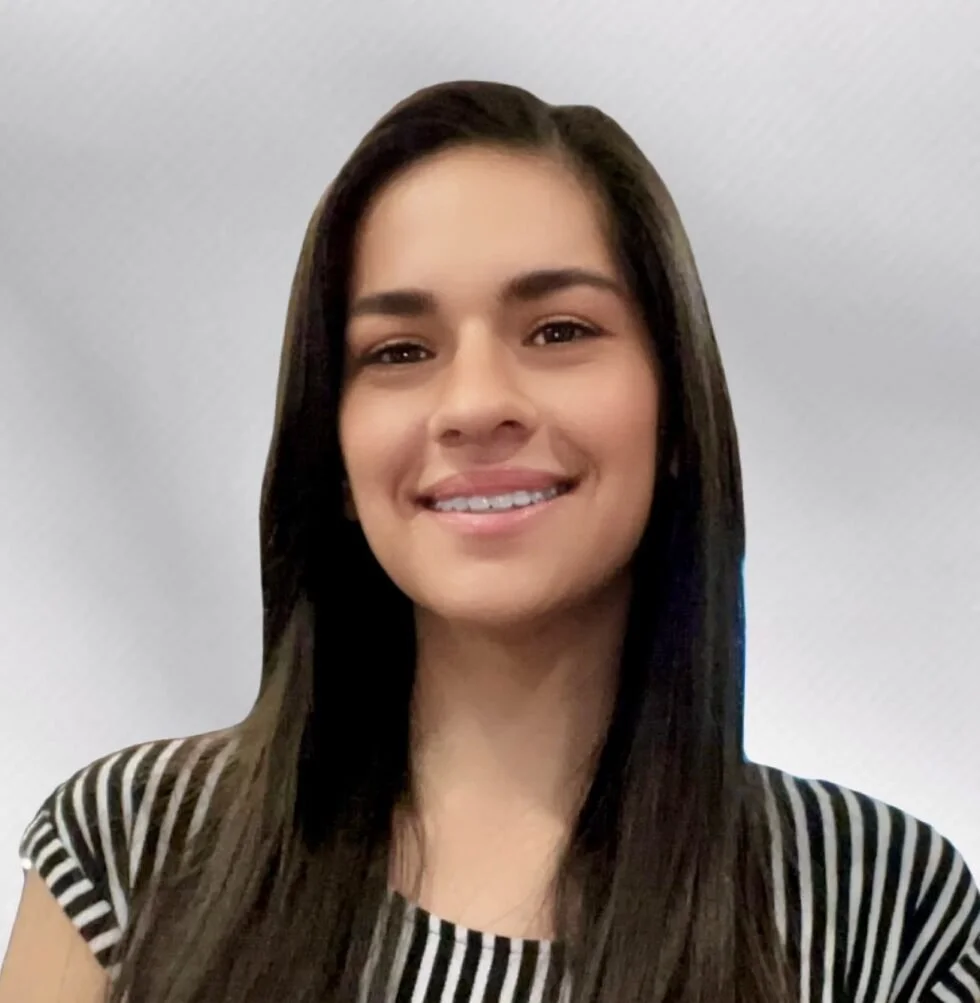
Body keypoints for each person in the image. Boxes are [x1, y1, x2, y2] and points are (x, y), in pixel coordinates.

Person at [1, 79, 977, 1003]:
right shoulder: (134, 848)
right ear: (332, 453)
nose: (473, 405)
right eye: (398, 352)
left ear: (676, 412)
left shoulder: (881, 908)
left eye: (556, 330)